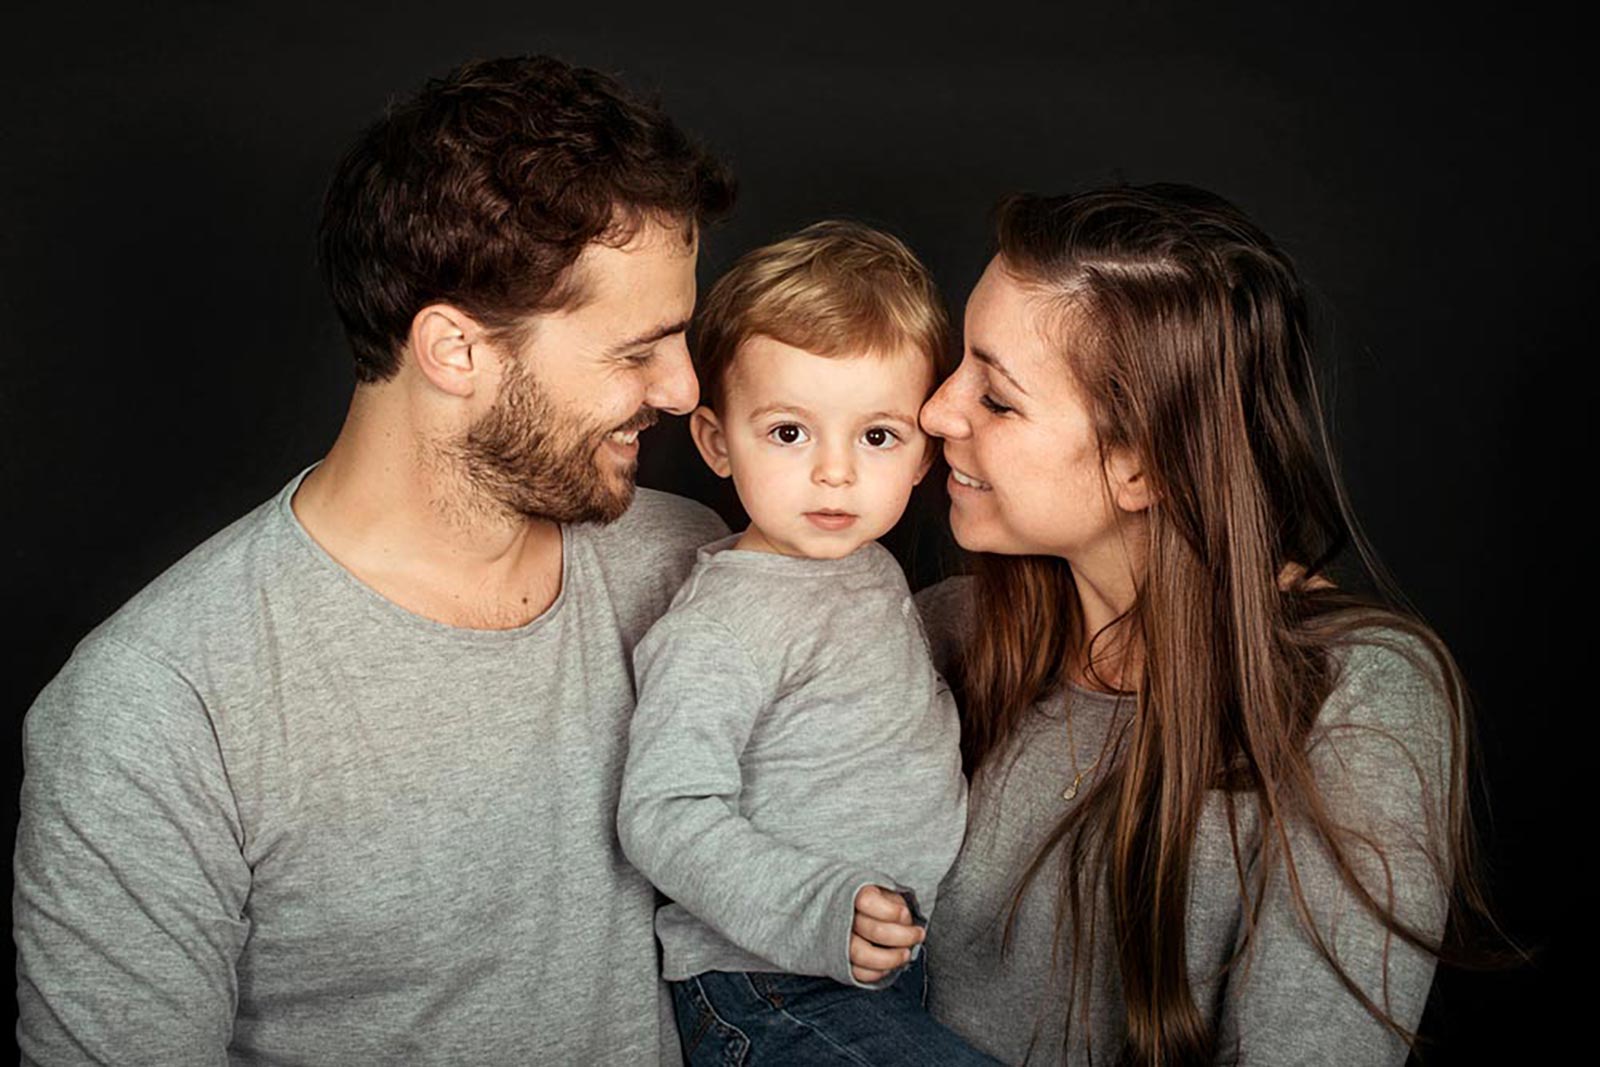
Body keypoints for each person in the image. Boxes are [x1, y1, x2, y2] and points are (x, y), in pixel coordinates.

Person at [14, 56, 733, 1064]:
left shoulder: (694, 567)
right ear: (455, 350)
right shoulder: (157, 708)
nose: (682, 385)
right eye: (635, 349)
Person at [910, 184, 1488, 1065]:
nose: (935, 411)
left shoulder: (1357, 694)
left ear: (1143, 464)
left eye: (996, 398)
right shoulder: (943, 633)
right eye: (960, 366)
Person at [617, 221, 995, 1065]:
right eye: (790, 432)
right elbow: (662, 813)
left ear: (924, 453)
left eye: (877, 436)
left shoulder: (868, 568)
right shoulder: (720, 625)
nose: (836, 473)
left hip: (891, 969)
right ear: (718, 442)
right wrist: (817, 907)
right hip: (765, 984)